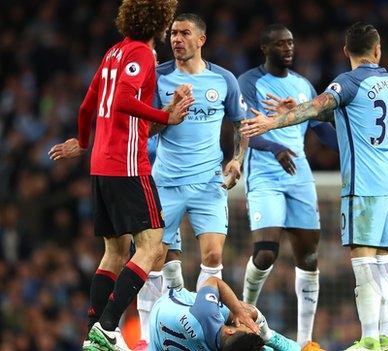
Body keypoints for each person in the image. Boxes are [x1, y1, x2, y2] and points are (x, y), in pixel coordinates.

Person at [241, 22, 388, 351]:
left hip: (364, 183)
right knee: (386, 260)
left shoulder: (347, 82)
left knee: (364, 260)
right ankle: (386, 339)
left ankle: (369, 340)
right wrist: (298, 111)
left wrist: (273, 120)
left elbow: (317, 107)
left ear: (346, 52)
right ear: (377, 49)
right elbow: (346, 115)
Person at [47, 0, 194, 350]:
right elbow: (122, 101)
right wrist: (165, 116)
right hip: (126, 164)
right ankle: (110, 326)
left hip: (100, 162)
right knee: (153, 244)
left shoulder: (113, 52)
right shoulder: (142, 54)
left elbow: (87, 105)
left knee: (115, 251)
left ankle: (94, 334)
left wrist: (82, 142)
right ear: (160, 21)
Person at [134, 13, 249, 350]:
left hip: (208, 185)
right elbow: (145, 129)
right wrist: (167, 113)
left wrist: (237, 158)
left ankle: (205, 328)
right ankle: (146, 337)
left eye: (184, 33)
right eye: (172, 33)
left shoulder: (223, 79)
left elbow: (240, 124)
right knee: (154, 258)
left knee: (213, 256)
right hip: (166, 182)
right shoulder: (157, 78)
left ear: (201, 39)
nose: (176, 38)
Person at [237, 24, 338, 348]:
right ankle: (243, 316)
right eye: (281, 44)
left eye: (291, 43)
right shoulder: (249, 82)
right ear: (266, 49)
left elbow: (320, 130)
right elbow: (248, 128)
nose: (289, 49)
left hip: (299, 174)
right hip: (265, 173)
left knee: (308, 258)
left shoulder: (304, 86)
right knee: (266, 252)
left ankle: (306, 342)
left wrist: (350, 145)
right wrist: (276, 148)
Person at [148, 277, 325, 351]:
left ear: (231, 330)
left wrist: (239, 313)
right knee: (249, 314)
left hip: (164, 312)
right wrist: (264, 331)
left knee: (243, 312)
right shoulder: (208, 315)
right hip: (163, 325)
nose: (251, 327)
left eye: (248, 328)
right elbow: (213, 280)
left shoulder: (208, 314)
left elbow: (214, 282)